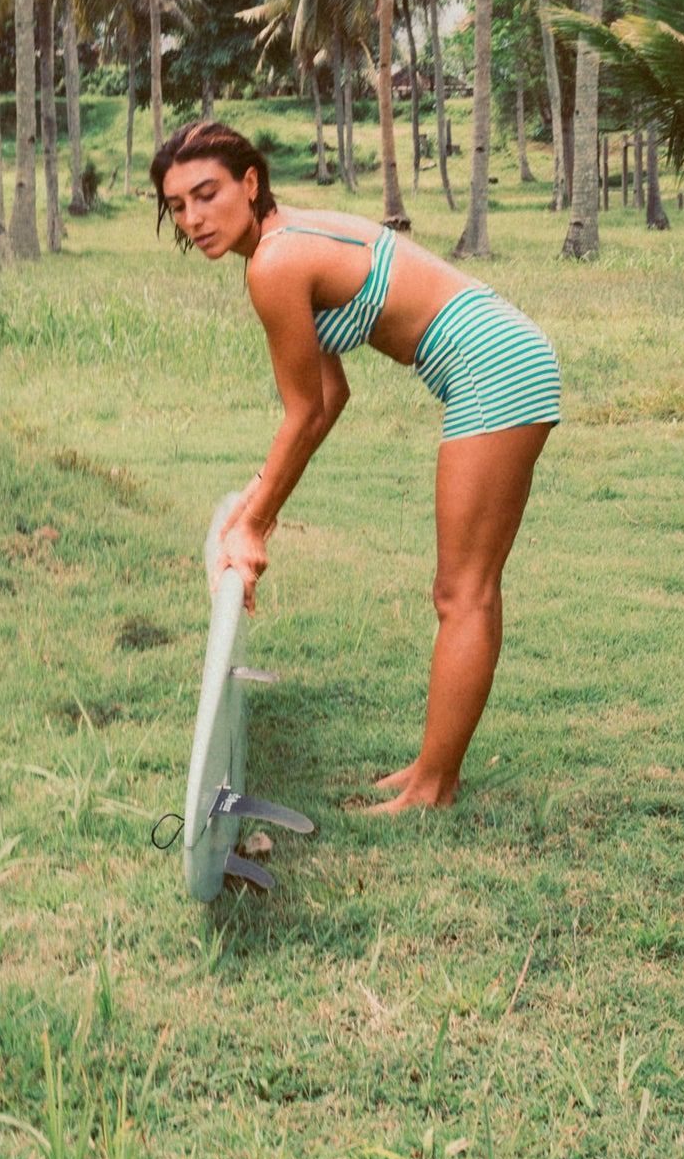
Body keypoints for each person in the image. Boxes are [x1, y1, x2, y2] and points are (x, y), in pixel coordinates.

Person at [150, 120, 560, 813]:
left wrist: (252, 526)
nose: (192, 218)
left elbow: (303, 411)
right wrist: (258, 506)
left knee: (463, 591)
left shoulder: (275, 262)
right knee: (467, 588)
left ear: (251, 184)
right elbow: (330, 396)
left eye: (206, 193)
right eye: (177, 205)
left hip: (495, 368)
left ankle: (432, 788)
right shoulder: (284, 237)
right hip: (504, 355)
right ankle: (434, 769)